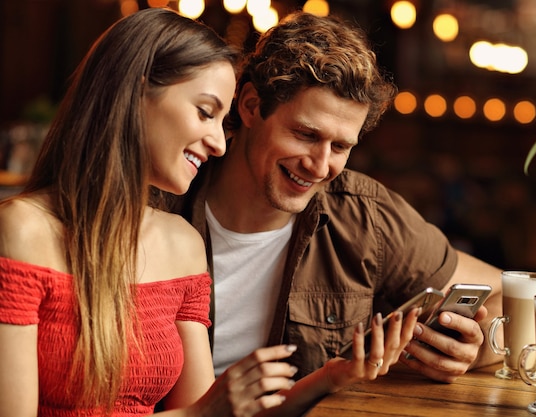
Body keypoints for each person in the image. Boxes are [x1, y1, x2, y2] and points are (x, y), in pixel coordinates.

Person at [0, 8, 417, 417]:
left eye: (222, 119)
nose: (219, 143)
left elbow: (210, 410)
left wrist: (329, 377)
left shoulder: (181, 242)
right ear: (134, 94)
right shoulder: (20, 230)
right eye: (205, 112)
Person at [178, 10, 504, 384]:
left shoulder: (364, 215)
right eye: (305, 134)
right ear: (251, 106)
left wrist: (478, 348)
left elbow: (507, 294)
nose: (319, 167)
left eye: (340, 146)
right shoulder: (166, 198)